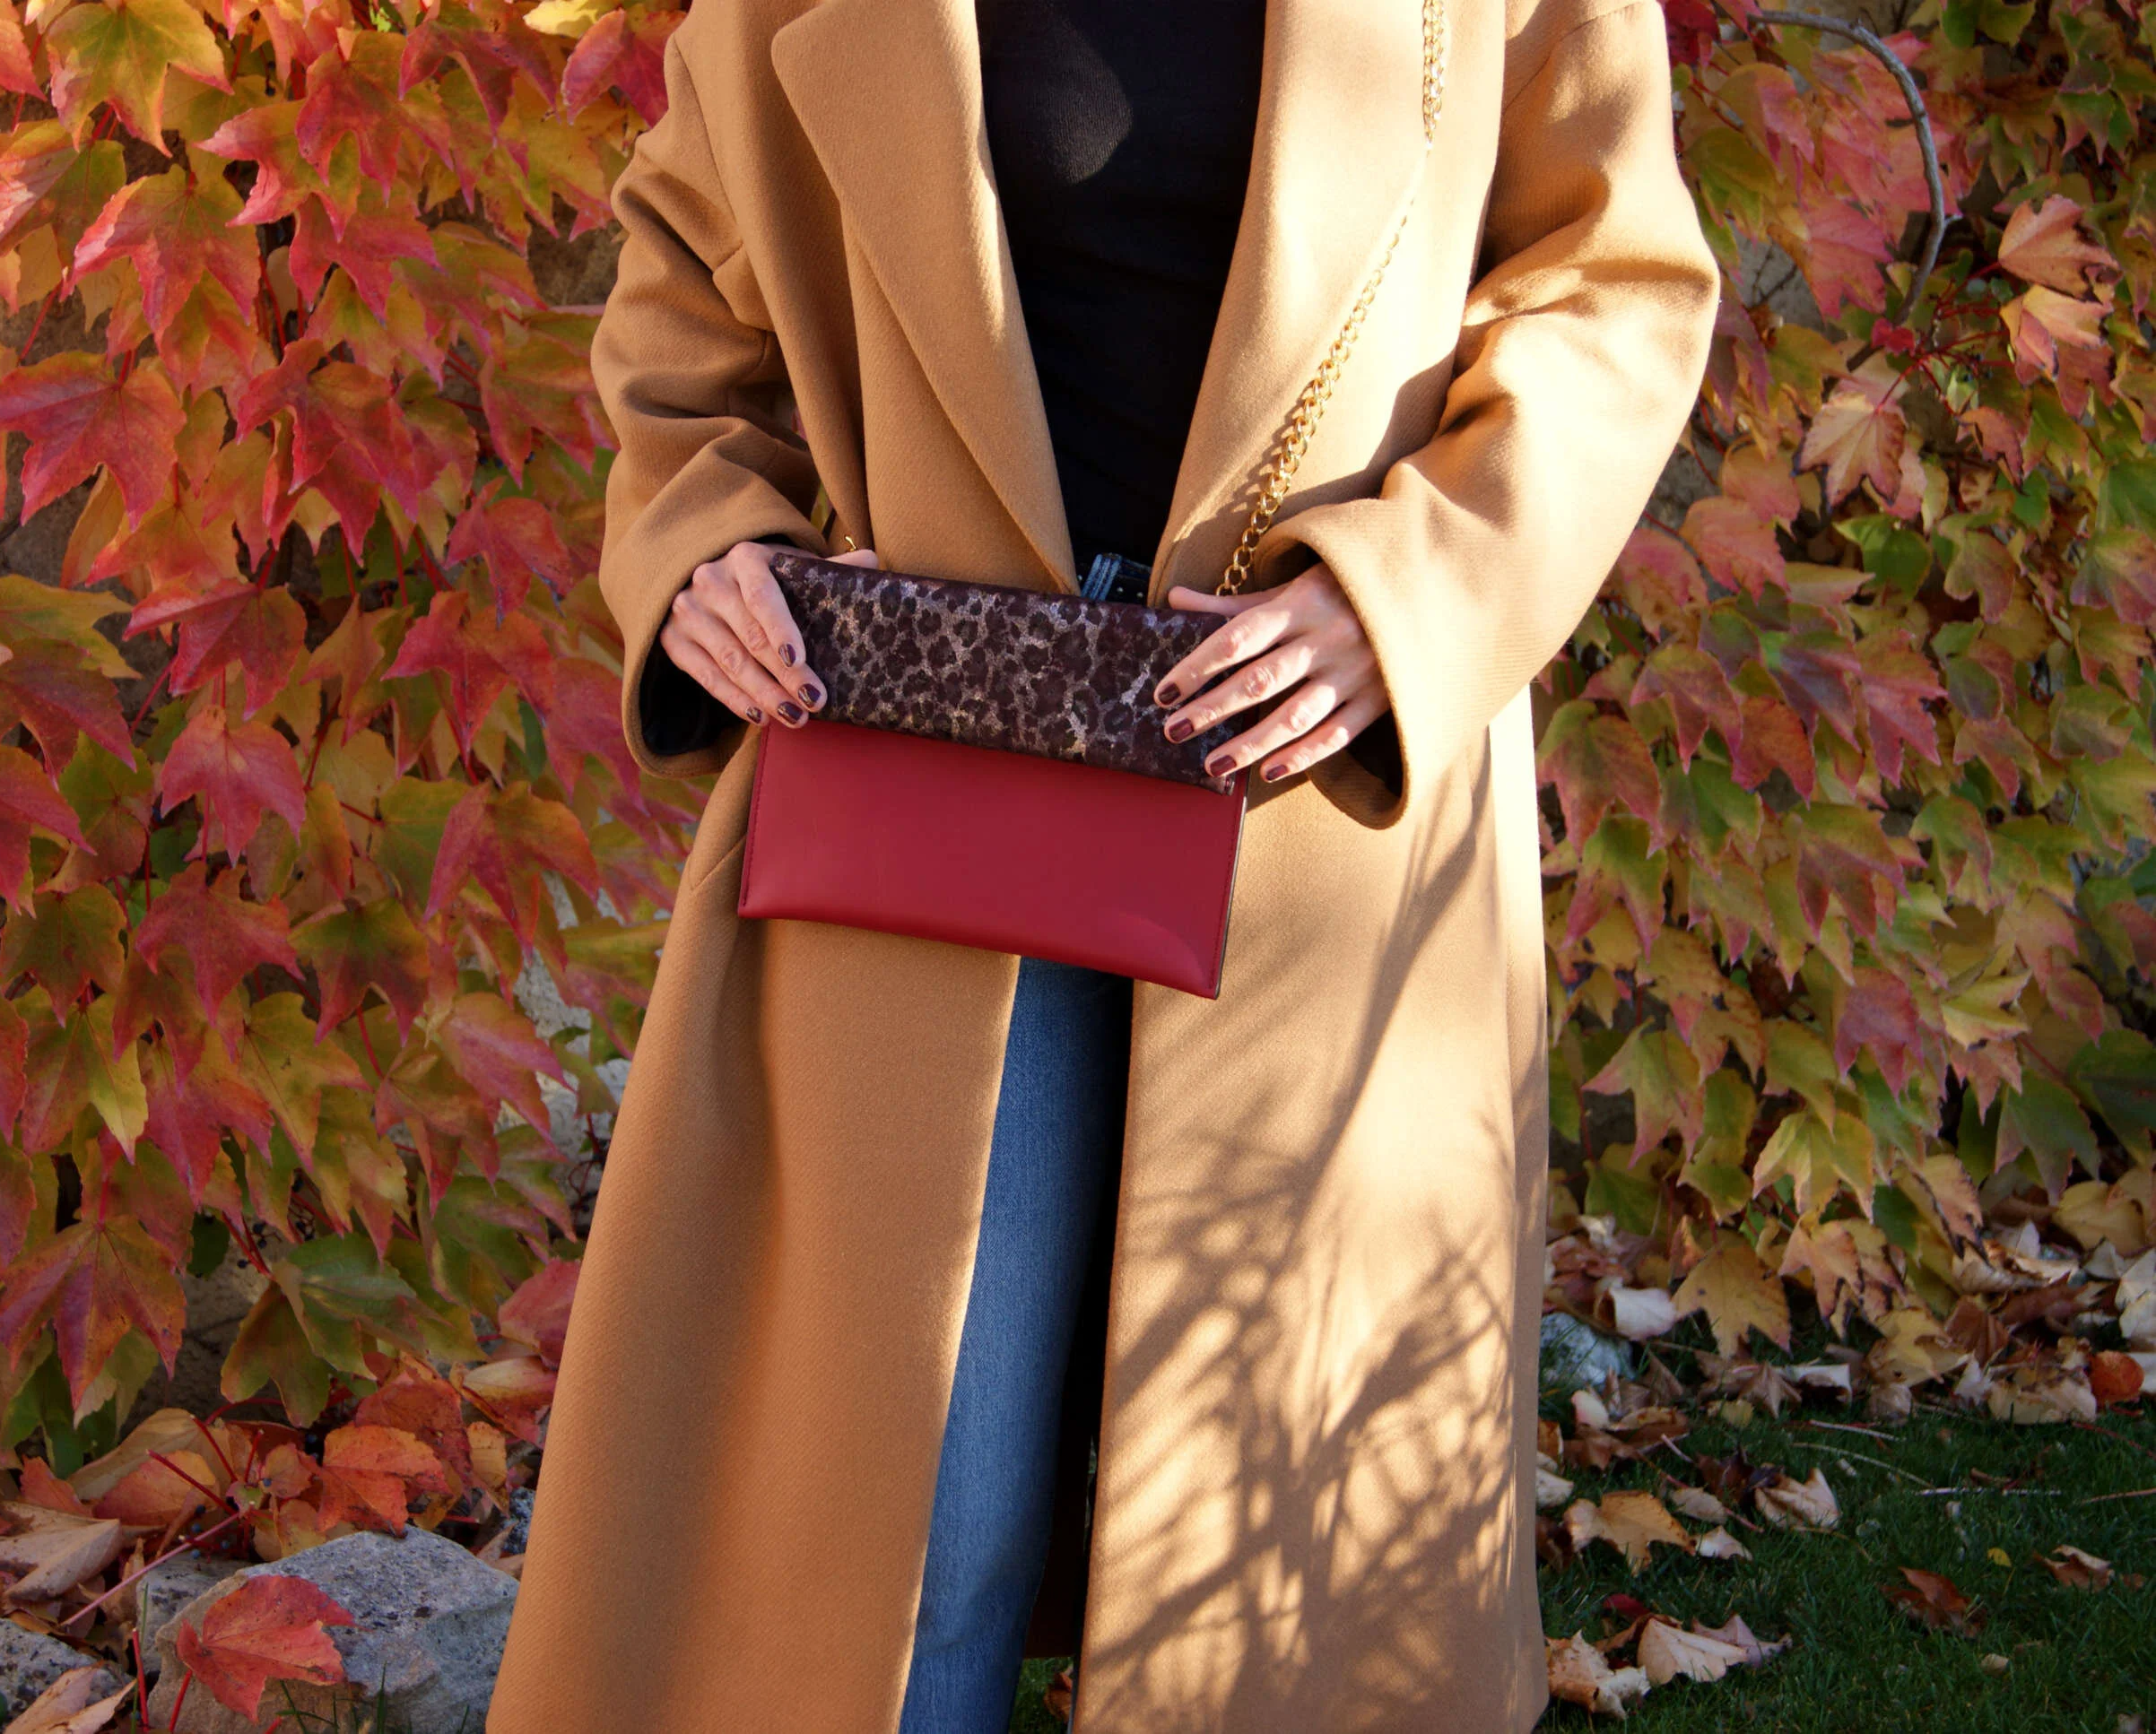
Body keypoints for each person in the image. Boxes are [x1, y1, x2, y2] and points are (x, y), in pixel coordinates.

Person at [486, 0, 1719, 1727]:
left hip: (1303, 825)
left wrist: (1401, 603)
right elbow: (688, 294)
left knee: (1270, 1594)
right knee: (897, 1556)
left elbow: (1612, 289)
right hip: (930, 803)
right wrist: (702, 545)